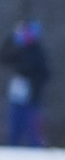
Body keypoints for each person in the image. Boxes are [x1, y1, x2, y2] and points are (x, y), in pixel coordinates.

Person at [5, 19, 48, 147]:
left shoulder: (38, 53)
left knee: (32, 129)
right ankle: (13, 148)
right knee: (15, 126)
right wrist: (12, 37)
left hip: (32, 97)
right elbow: (4, 57)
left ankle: (36, 150)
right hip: (17, 94)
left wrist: (32, 84)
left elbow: (45, 74)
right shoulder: (19, 50)